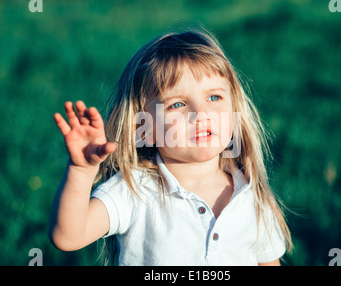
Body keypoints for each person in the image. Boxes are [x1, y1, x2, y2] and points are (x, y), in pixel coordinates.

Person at [48, 28, 293, 266]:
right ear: (144, 128)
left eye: (214, 97)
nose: (201, 113)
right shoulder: (134, 191)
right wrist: (81, 172)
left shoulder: (251, 195)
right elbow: (68, 237)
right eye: (177, 104)